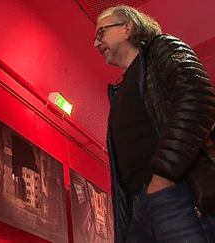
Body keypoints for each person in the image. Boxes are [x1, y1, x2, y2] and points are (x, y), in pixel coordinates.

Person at [93, 5, 215, 243]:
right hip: (141, 210)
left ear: (127, 28)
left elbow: (197, 99)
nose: (96, 44)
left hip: (174, 192)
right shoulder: (118, 91)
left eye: (101, 33)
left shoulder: (162, 47)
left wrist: (164, 175)